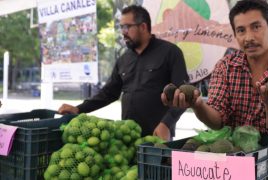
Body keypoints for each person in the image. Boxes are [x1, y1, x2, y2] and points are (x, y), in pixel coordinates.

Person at [161, 0, 268, 179]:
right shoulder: (225, 66)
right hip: (238, 166)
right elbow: (218, 120)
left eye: (256, 27)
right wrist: (197, 105)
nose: (248, 37)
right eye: (241, 30)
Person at [58, 5, 189, 141]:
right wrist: (79, 109)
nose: (123, 32)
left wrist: (166, 124)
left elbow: (183, 95)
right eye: (121, 27)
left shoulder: (170, 53)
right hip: (127, 138)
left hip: (158, 138)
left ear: (143, 27)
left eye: (127, 27)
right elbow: (108, 93)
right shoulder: (123, 59)